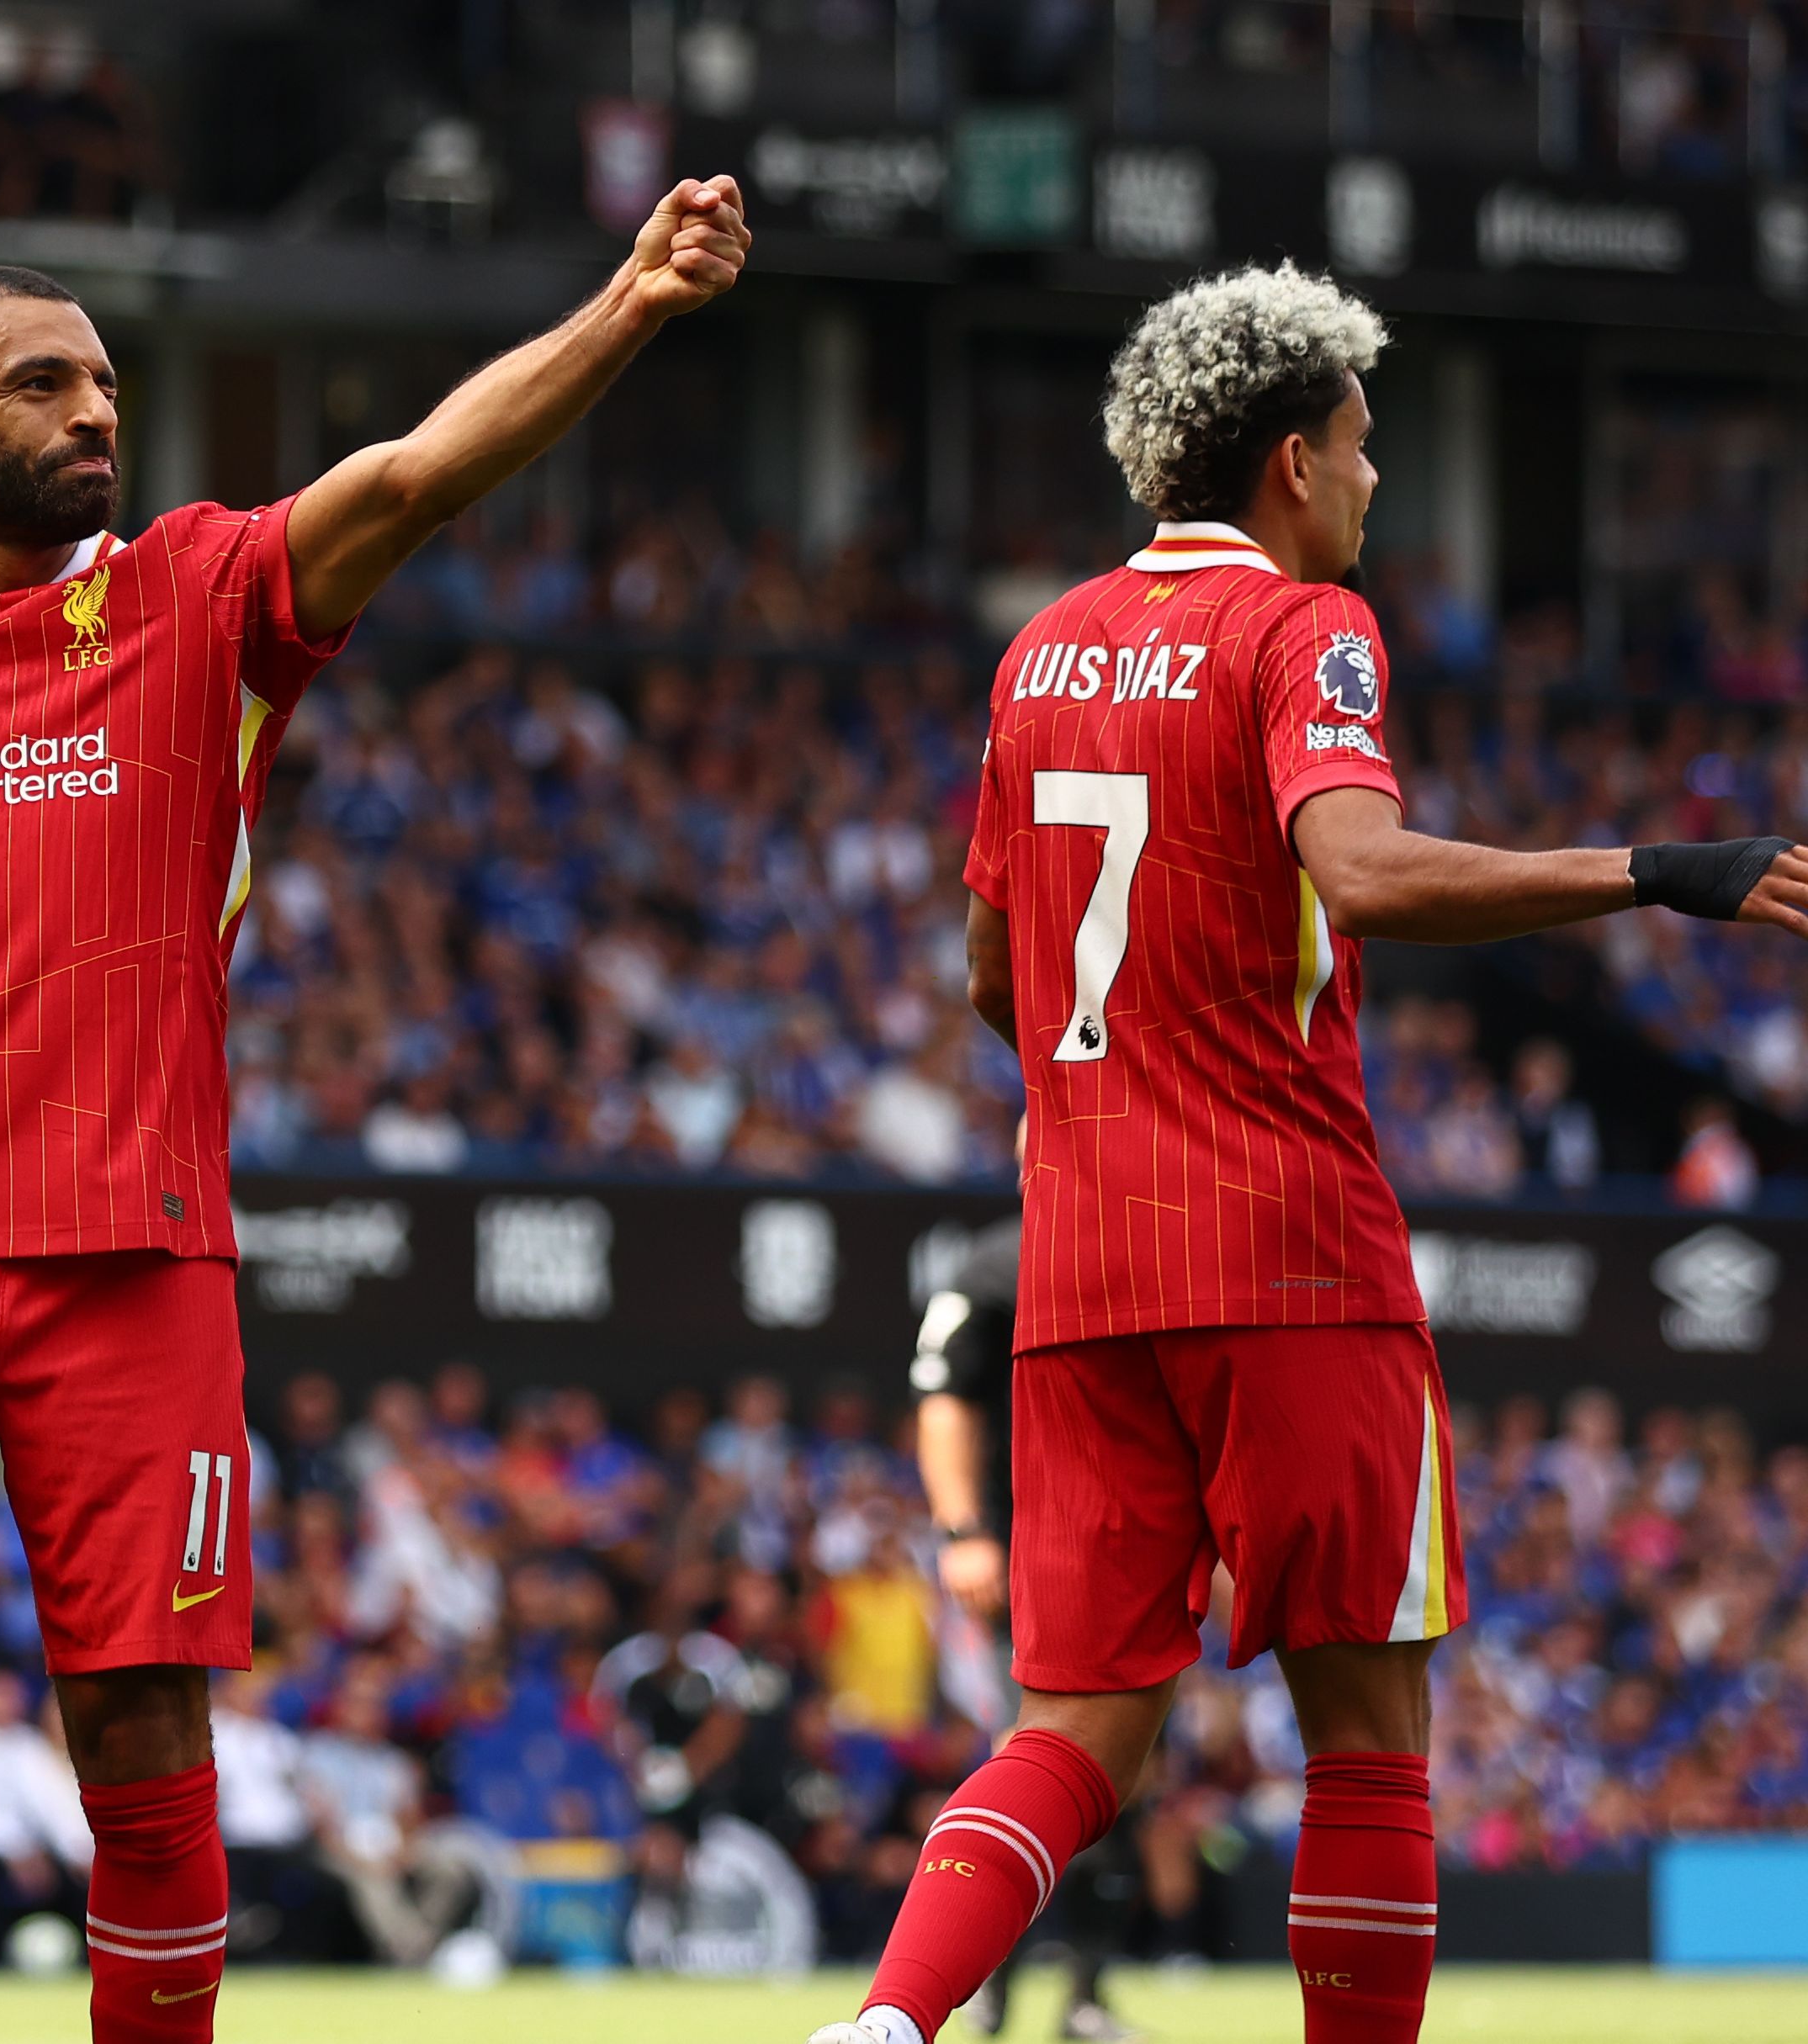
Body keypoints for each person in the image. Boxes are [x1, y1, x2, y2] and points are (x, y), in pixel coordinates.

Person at [0, 177, 750, 2044]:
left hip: (132, 1253)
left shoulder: (195, 596)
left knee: (145, 1727)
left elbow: (409, 479)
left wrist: (632, 303)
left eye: (105, 383)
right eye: (42, 384)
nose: (96, 412)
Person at [809, 263, 1808, 2044]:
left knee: (1075, 1726)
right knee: (1366, 1734)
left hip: (1083, 1270)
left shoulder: (1040, 651)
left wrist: (1119, 1089)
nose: (1371, 485)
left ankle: (886, 2026)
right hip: (1288, 1251)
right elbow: (1362, 869)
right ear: (1286, 461)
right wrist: (1659, 870)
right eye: (1360, 449)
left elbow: (990, 970)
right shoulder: (1302, 629)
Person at [908, 1206, 1140, 2042]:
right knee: (1039, 1767)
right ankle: (987, 1993)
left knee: (1124, 1796)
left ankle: (1083, 1999)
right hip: (1036, 1563)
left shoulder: (1152, 1239)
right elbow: (943, 1396)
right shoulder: (998, 1263)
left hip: (1137, 1564)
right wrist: (963, 1529)